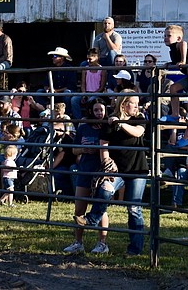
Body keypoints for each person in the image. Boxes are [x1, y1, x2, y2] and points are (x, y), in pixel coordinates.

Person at [74, 91, 148, 257]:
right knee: (105, 188)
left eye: (138, 103)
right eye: (133, 103)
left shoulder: (139, 118)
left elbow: (138, 132)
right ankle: (92, 219)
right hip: (117, 170)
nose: (137, 106)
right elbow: (104, 146)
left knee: (134, 208)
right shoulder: (109, 123)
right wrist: (107, 164)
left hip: (137, 169)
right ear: (123, 104)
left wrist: (120, 124)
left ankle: (134, 249)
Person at [64, 100, 110, 255]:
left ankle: (102, 242)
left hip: (100, 171)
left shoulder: (108, 128)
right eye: (96, 110)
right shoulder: (83, 128)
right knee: (79, 208)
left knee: (100, 208)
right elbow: (74, 150)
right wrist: (83, 149)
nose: (99, 113)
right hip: (84, 170)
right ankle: (78, 242)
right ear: (90, 111)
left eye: (101, 110)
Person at [71, 48, 106, 121]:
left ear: (96, 57)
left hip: (97, 93)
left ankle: (88, 119)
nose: (88, 61)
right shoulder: (85, 69)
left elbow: (102, 86)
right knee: (74, 100)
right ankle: (79, 120)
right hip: (86, 92)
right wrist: (84, 94)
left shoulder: (102, 70)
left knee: (91, 100)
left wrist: (94, 93)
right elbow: (83, 83)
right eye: (88, 59)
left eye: (90, 59)